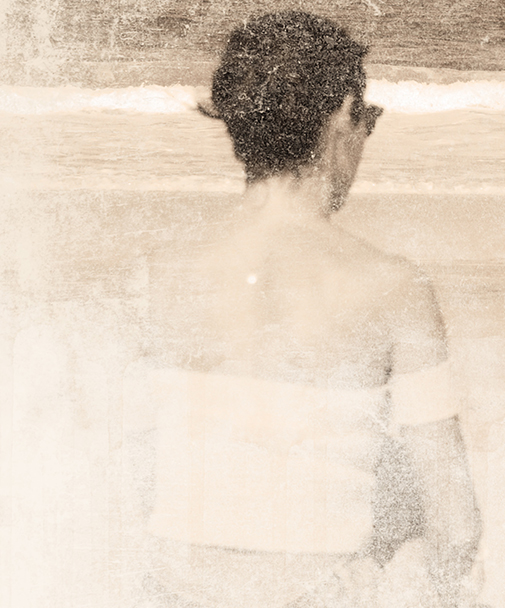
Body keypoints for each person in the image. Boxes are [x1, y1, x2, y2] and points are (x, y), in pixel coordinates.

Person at [129, 11, 480, 608]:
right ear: (342, 115)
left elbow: (137, 481)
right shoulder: (393, 287)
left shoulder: (157, 276)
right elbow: (457, 525)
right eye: (368, 119)